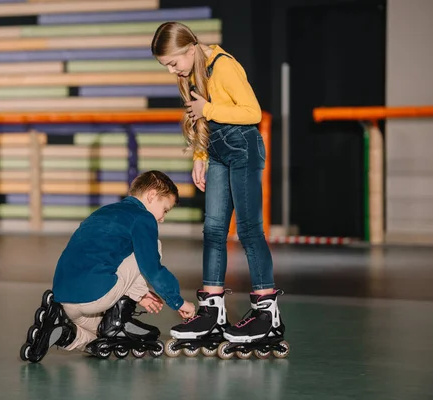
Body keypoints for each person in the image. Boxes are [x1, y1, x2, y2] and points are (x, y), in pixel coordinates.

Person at [150, 22, 285, 351]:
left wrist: (207, 108)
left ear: (190, 49)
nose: (172, 71)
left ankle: (267, 313)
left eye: (173, 63)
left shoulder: (222, 66)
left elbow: (252, 112)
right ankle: (212, 310)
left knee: (250, 230)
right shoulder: (192, 72)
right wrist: (200, 155)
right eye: (166, 66)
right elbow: (200, 120)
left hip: (243, 148)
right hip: (218, 153)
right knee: (212, 230)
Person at [19, 170, 196, 362]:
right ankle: (118, 322)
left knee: (103, 340)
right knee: (153, 247)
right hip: (95, 296)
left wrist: (140, 294)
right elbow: (151, 267)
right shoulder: (143, 218)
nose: (162, 218)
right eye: (165, 209)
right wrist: (177, 301)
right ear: (151, 195)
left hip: (66, 300)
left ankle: (65, 334)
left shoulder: (103, 212)